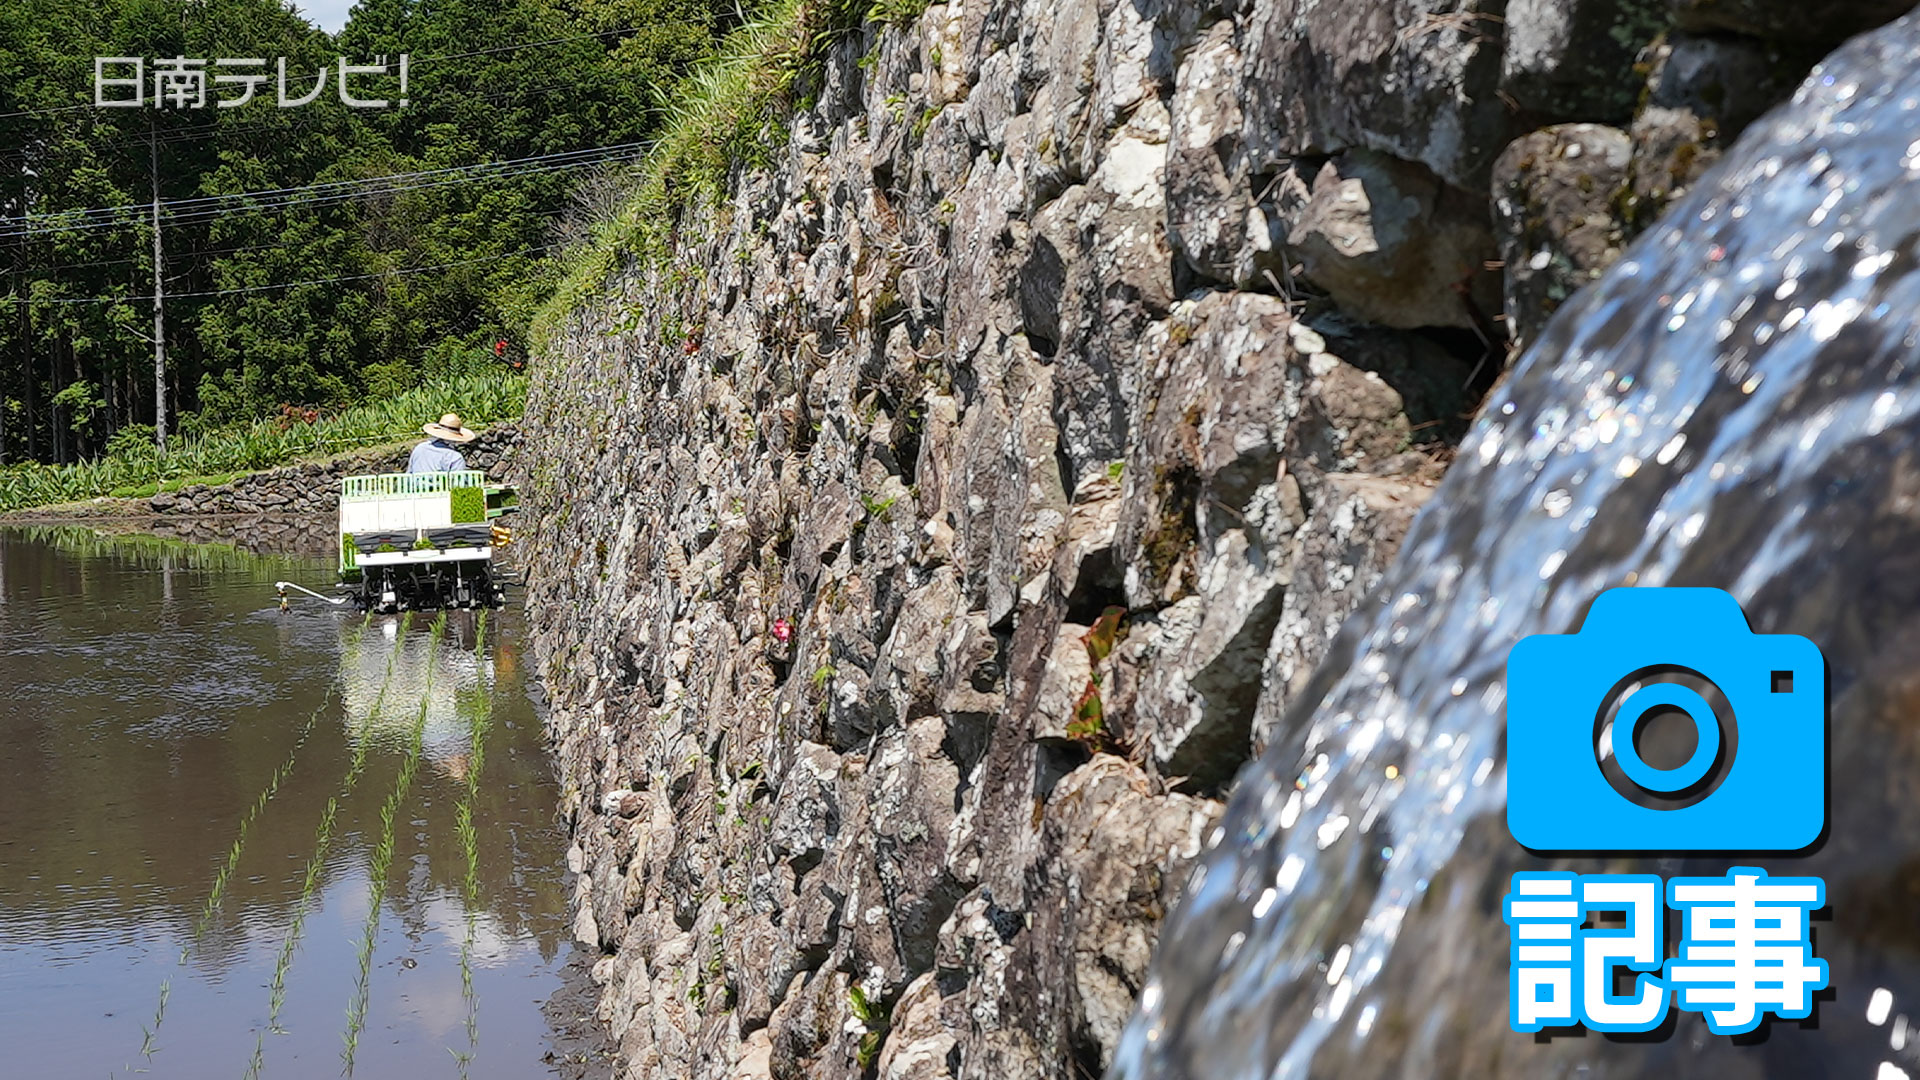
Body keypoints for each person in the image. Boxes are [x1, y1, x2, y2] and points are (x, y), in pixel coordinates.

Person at [408, 413, 480, 473]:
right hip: (441, 489)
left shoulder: (419, 448)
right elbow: (458, 484)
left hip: (415, 489)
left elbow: (409, 472)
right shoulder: (454, 457)